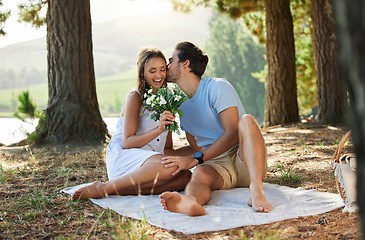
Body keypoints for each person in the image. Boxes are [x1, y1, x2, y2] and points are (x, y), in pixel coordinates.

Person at [159, 41, 273, 216]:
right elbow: (198, 148)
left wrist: (195, 159)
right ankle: (190, 202)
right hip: (217, 167)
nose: (166, 66)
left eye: (171, 61)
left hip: (244, 158)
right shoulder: (181, 106)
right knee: (200, 174)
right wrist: (171, 157)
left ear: (185, 64)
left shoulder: (217, 87)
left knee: (247, 121)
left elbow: (233, 134)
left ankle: (256, 190)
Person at [72, 47, 191, 200]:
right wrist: (159, 129)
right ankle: (103, 188)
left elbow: (166, 149)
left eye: (162, 69)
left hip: (151, 164)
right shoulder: (135, 97)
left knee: (185, 176)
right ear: (142, 72)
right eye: (152, 71)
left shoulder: (167, 101)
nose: (159, 75)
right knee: (172, 166)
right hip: (125, 157)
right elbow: (128, 142)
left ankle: (122, 190)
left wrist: (196, 152)